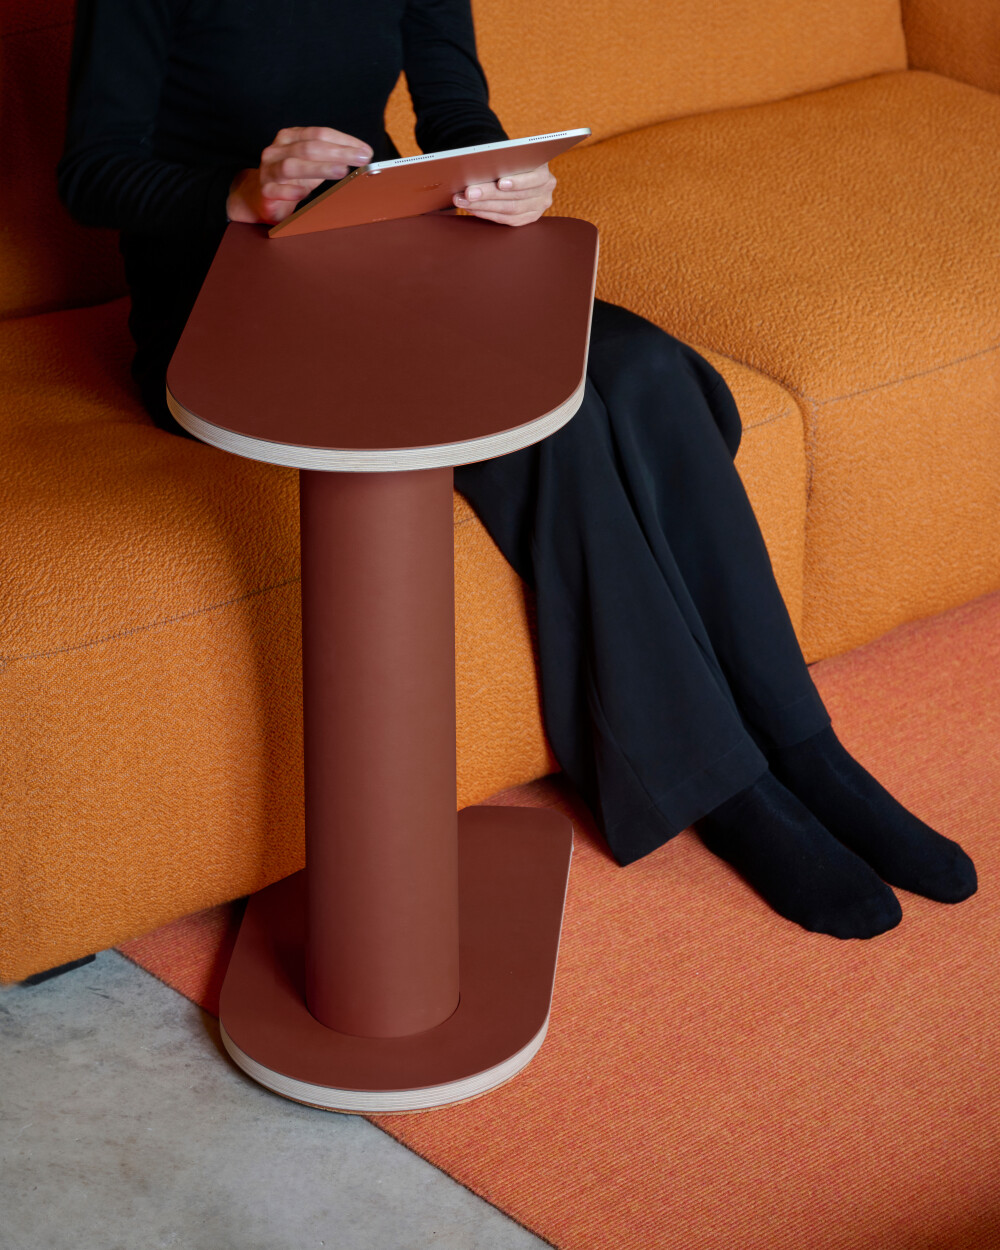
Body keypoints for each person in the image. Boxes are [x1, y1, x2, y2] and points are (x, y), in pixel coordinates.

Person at [58, 0, 976, 941]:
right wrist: (244, 190)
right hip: (224, 308)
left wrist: (508, 178)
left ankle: (804, 745)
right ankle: (721, 785)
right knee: (553, 429)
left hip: (387, 260)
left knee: (646, 371)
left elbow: (457, 115)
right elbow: (92, 172)